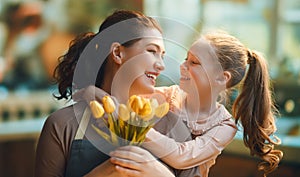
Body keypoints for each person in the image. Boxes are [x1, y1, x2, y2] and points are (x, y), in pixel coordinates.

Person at [89, 31, 283, 177]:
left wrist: (138, 129)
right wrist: (94, 93)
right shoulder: (167, 97)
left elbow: (183, 157)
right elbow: (122, 103)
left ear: (221, 78)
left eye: (194, 62)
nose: (183, 66)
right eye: (185, 59)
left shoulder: (224, 127)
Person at [35, 9, 197, 177]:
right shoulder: (63, 125)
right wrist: (105, 172)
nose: (161, 65)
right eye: (151, 51)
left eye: (162, 55)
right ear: (118, 53)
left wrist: (159, 174)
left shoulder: (174, 127)